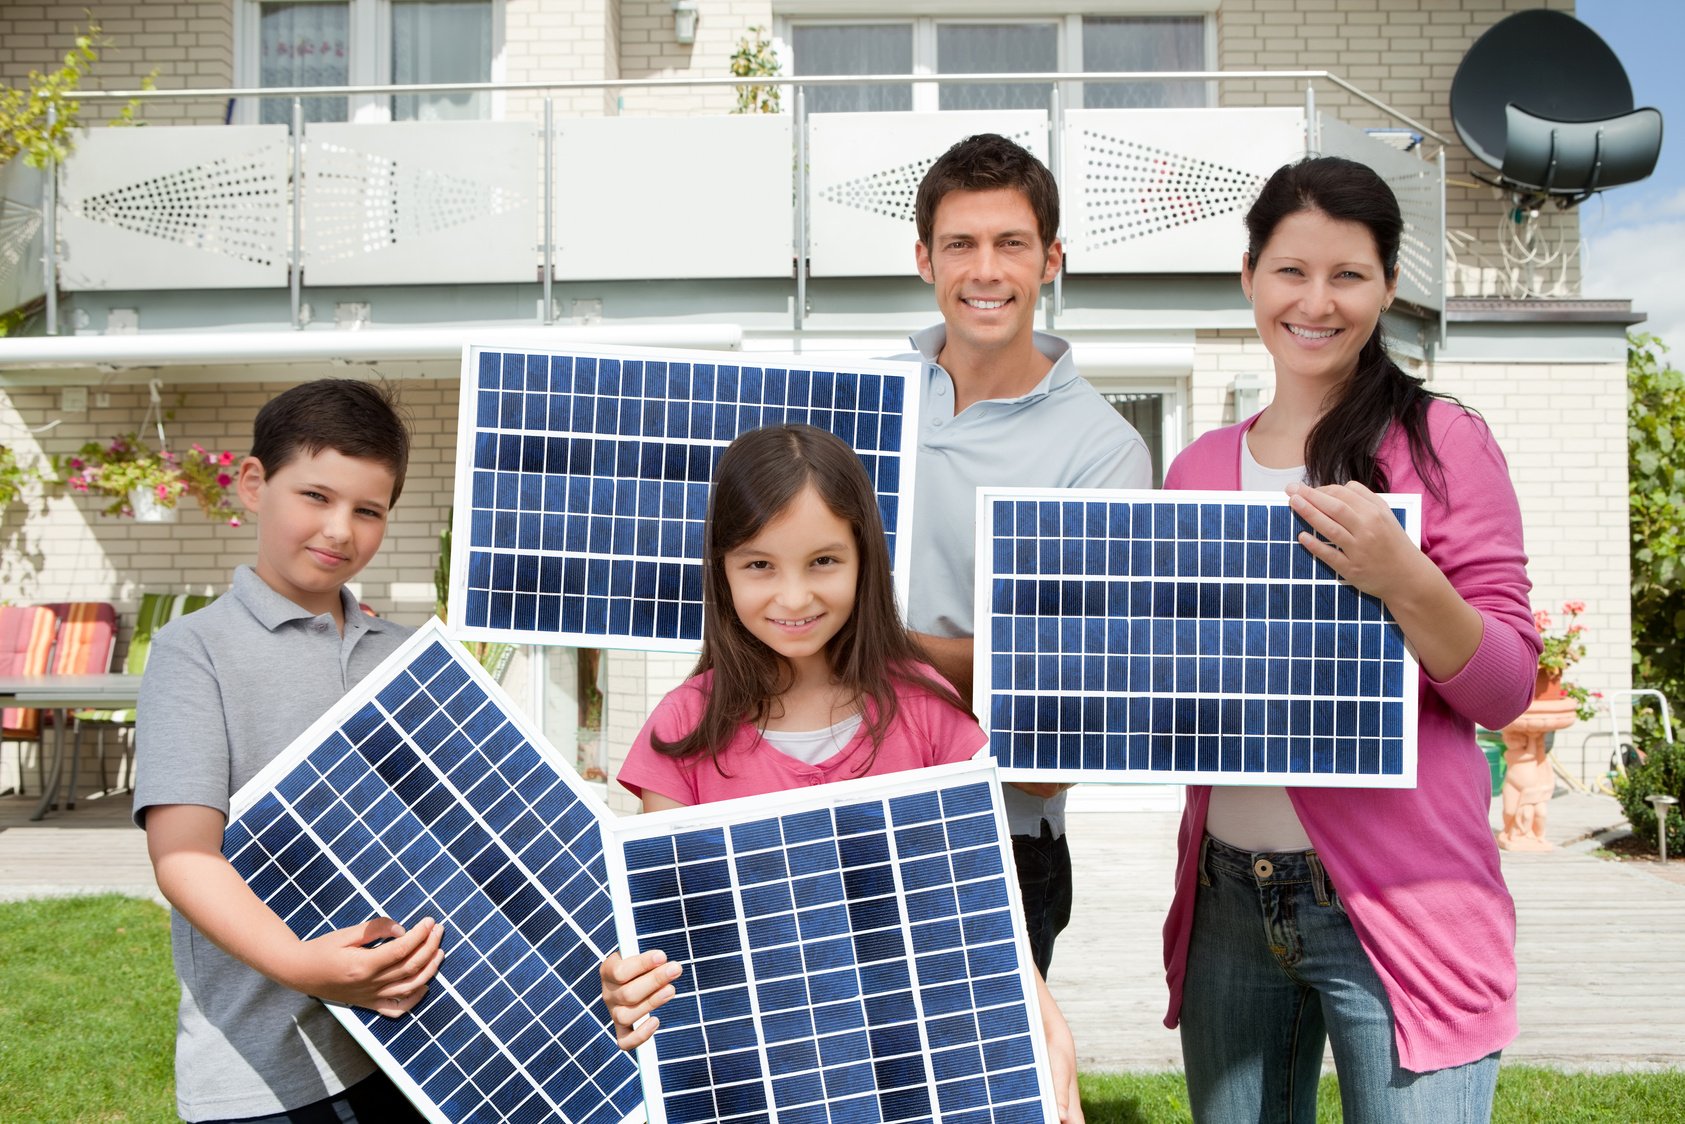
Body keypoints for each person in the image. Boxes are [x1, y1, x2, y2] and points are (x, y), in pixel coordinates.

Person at [1159, 156, 1542, 1122]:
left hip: (1407, 902)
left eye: (1348, 275)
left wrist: (1403, 577)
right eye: (1290, 271)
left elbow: (1502, 690)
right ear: (1248, 278)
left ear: (1388, 287)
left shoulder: (1440, 441)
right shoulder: (1198, 469)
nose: (1315, 302)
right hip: (1227, 905)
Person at [599, 423, 1084, 1121]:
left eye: (822, 561)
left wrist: (1048, 1024)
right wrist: (630, 986)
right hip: (758, 1079)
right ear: (721, 569)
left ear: (865, 559)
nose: (793, 598)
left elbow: (986, 915)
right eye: (759, 565)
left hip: (925, 1065)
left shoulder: (926, 713)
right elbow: (673, 940)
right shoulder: (683, 730)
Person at [134, 379, 445, 1123]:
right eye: (315, 496)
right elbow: (184, 856)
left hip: (414, 1047)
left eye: (367, 511)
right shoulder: (195, 651)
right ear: (253, 485)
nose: (340, 529)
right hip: (263, 1069)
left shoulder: (405, 656)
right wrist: (304, 966)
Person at [900, 133, 1154, 976]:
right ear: (923, 259)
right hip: (825, 796)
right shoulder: (862, 402)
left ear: (1050, 260)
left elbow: (1058, 687)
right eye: (960, 245)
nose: (984, 270)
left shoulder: (1103, 452)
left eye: (1010, 244)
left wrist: (870, 647)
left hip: (996, 831)